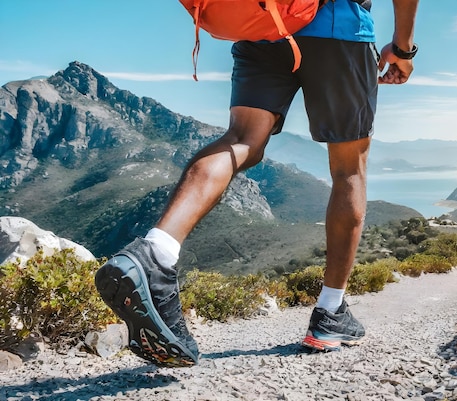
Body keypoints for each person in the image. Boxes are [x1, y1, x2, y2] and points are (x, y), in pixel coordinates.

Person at [95, 0, 420, 367]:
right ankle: (331, 312)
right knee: (349, 168)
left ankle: (156, 251)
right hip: (339, 29)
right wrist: (404, 48)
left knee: (241, 140)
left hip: (263, 26)